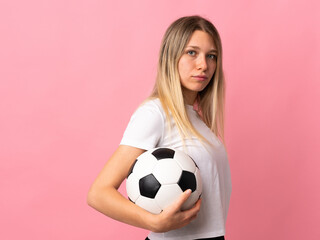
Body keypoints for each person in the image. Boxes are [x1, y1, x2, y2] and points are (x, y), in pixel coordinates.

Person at [87, 15, 232, 240]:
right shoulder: (155, 113)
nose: (204, 64)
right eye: (191, 52)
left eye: (211, 56)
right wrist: (154, 221)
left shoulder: (196, 120)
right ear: (171, 56)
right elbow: (98, 193)